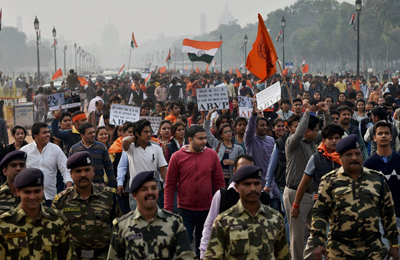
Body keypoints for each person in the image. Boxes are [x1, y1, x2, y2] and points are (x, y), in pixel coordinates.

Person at [312, 134, 399, 260]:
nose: (354, 158)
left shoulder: (377, 179)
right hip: (339, 251)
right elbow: (320, 213)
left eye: (357, 154)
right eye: (349, 155)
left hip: (372, 251)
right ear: (340, 158)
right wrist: (318, 243)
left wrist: (394, 244)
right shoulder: (329, 181)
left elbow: (388, 213)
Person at [204, 165, 290, 260]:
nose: (253, 188)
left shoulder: (275, 218)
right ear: (236, 187)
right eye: (247, 184)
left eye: (256, 183)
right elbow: (212, 256)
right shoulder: (224, 221)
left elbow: (283, 255)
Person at [164, 125, 225, 257]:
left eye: (205, 138)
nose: (204, 141)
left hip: (207, 211)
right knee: (185, 247)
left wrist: (220, 208)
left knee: (204, 247)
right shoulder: (176, 157)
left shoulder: (212, 155)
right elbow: (169, 186)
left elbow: (219, 184)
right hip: (185, 210)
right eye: (200, 138)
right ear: (190, 139)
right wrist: (168, 211)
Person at [107, 170, 196, 259]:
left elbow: (186, 256)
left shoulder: (174, 222)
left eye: (154, 188)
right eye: (144, 189)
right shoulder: (122, 226)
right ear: (134, 195)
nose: (150, 192)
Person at [283, 99, 330, 260]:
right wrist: (307, 112)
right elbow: (301, 130)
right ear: (307, 131)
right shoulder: (292, 143)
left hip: (312, 194)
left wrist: (326, 113)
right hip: (295, 194)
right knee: (297, 236)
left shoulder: (312, 143)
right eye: (314, 130)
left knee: (316, 232)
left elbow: (328, 134)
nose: (318, 132)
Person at [52, 151, 122, 259]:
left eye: (87, 170)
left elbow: (119, 229)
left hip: (104, 256)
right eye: (78, 171)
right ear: (71, 174)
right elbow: (55, 235)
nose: (83, 174)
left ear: (93, 171)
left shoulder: (109, 196)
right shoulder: (61, 201)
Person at [200, 154, 270, 259]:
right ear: (234, 171)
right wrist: (204, 253)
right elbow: (209, 226)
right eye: (242, 170)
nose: (246, 174)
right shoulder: (222, 196)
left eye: (250, 170)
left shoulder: (263, 198)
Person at [0, 168, 77, 259]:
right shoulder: (4, 223)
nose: (32, 197)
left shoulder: (58, 221)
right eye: (27, 192)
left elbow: (68, 256)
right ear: (18, 192)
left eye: (37, 191)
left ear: (43, 190)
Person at [363, 121, 400, 251]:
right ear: (374, 138)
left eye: (386, 133)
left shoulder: (398, 160)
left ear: (391, 137)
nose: (383, 136)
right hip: (378, 218)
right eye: (380, 133)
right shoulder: (368, 164)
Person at [120, 119, 168, 211]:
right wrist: (136, 137)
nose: (149, 134)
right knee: (137, 222)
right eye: (145, 132)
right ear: (137, 134)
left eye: (150, 132)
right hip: (136, 191)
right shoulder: (131, 148)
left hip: (152, 191)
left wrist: (167, 186)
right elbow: (125, 141)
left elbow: (163, 170)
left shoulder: (156, 148)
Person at [21, 122, 73, 206]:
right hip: (30, 197)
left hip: (50, 197)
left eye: (48, 132)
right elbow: (20, 172)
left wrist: (68, 185)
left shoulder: (56, 149)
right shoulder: (25, 150)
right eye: (44, 132)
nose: (48, 135)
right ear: (36, 136)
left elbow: (65, 168)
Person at [205, 108, 245, 185]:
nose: (229, 133)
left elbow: (243, 164)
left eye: (230, 131)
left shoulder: (238, 148)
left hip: (233, 182)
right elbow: (207, 131)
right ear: (221, 135)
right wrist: (208, 115)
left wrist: (232, 162)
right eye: (226, 132)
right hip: (217, 181)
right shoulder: (217, 144)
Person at [69, 123, 116, 188]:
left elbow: (109, 167)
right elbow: (71, 170)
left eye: (94, 132)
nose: (93, 135)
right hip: (81, 187)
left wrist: (113, 186)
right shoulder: (74, 149)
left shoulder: (101, 147)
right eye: (90, 133)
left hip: (99, 187)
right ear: (82, 135)